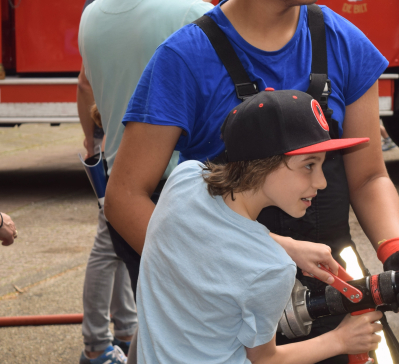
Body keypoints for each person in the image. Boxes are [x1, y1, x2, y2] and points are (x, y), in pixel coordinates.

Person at [105, 0, 399, 364]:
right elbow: (124, 196)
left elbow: (368, 175)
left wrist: (395, 248)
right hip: (228, 308)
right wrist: (207, 270)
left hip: (333, 281)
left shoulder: (343, 43)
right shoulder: (185, 58)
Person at [78, 0, 232, 364]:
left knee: (154, 309)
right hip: (176, 194)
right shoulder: (189, 16)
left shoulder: (92, 14)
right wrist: (199, 8)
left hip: (120, 191)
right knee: (193, 323)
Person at [137, 89, 382, 363]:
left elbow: (213, 228)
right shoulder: (272, 270)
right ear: (263, 162)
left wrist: (286, 245)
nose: (322, 182)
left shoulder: (184, 180)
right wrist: (340, 339)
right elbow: (264, 359)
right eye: (309, 165)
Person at [75, 0, 145, 364]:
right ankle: (96, 344)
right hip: (116, 143)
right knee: (108, 243)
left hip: (116, 140)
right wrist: (91, 139)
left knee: (117, 241)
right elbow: (85, 82)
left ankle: (123, 330)